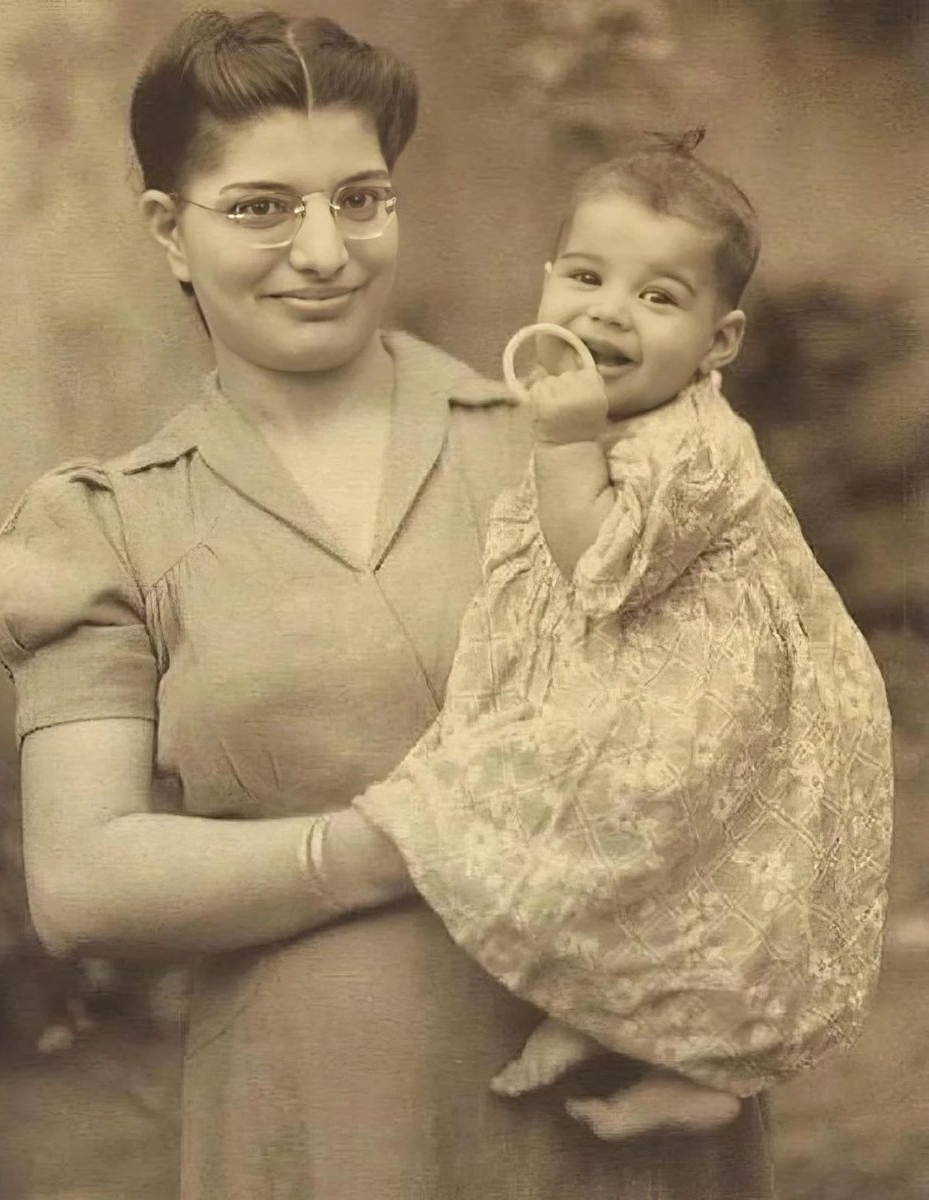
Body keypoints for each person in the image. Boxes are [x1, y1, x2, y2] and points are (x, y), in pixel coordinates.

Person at [0, 10, 777, 1199]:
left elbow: (760, 737)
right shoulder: (105, 521)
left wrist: (738, 1022)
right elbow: (85, 883)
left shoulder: (577, 450)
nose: (324, 250)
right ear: (170, 230)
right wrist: (400, 843)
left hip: (615, 1110)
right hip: (322, 1126)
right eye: (263, 208)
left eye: (360, 199)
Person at [351, 134, 895, 1140]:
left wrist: (562, 443)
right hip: (655, 669)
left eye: (656, 297)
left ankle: (704, 1070)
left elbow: (597, 564)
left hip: (709, 705)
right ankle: (604, 1015)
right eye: (587, 276)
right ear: (546, 281)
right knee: (622, 853)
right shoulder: (623, 416)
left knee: (630, 833)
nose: (607, 310)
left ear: (716, 342)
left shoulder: (690, 446)